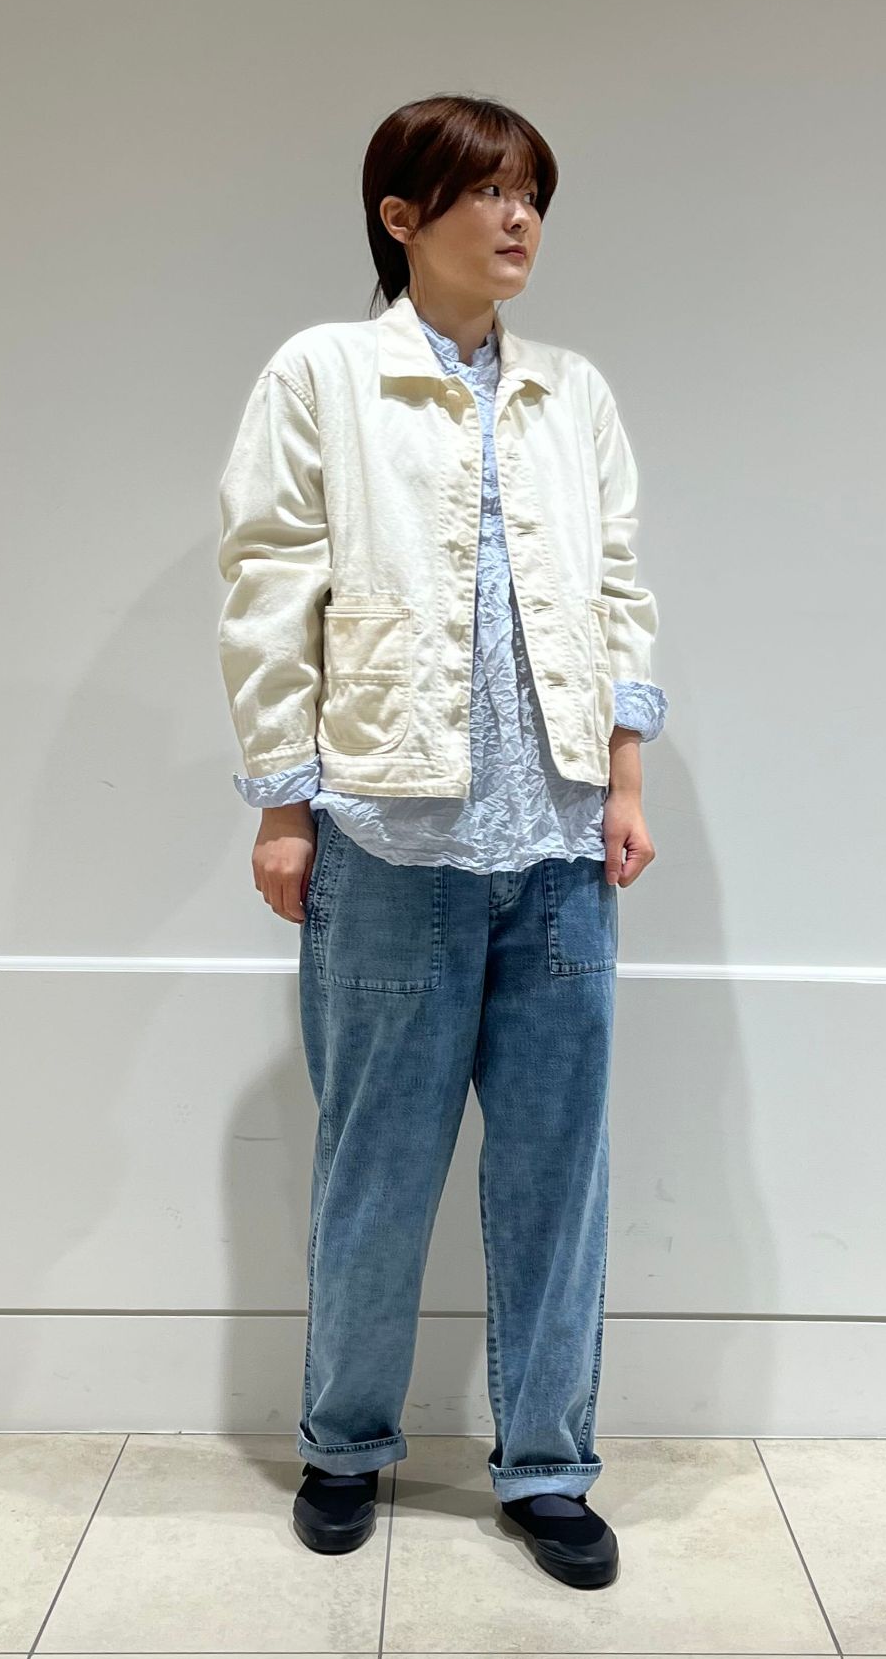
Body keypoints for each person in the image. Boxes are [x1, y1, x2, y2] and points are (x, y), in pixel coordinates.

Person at [216, 93, 667, 1591]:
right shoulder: (324, 374)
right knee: (377, 1163)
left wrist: (623, 777)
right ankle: (346, 1444)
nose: (521, 216)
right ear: (403, 217)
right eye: (489, 191)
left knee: (556, 1171)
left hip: (558, 843)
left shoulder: (572, 392)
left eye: (534, 191)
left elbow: (617, 586)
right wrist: (285, 803)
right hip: (387, 836)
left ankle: (547, 1464)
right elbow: (270, 583)